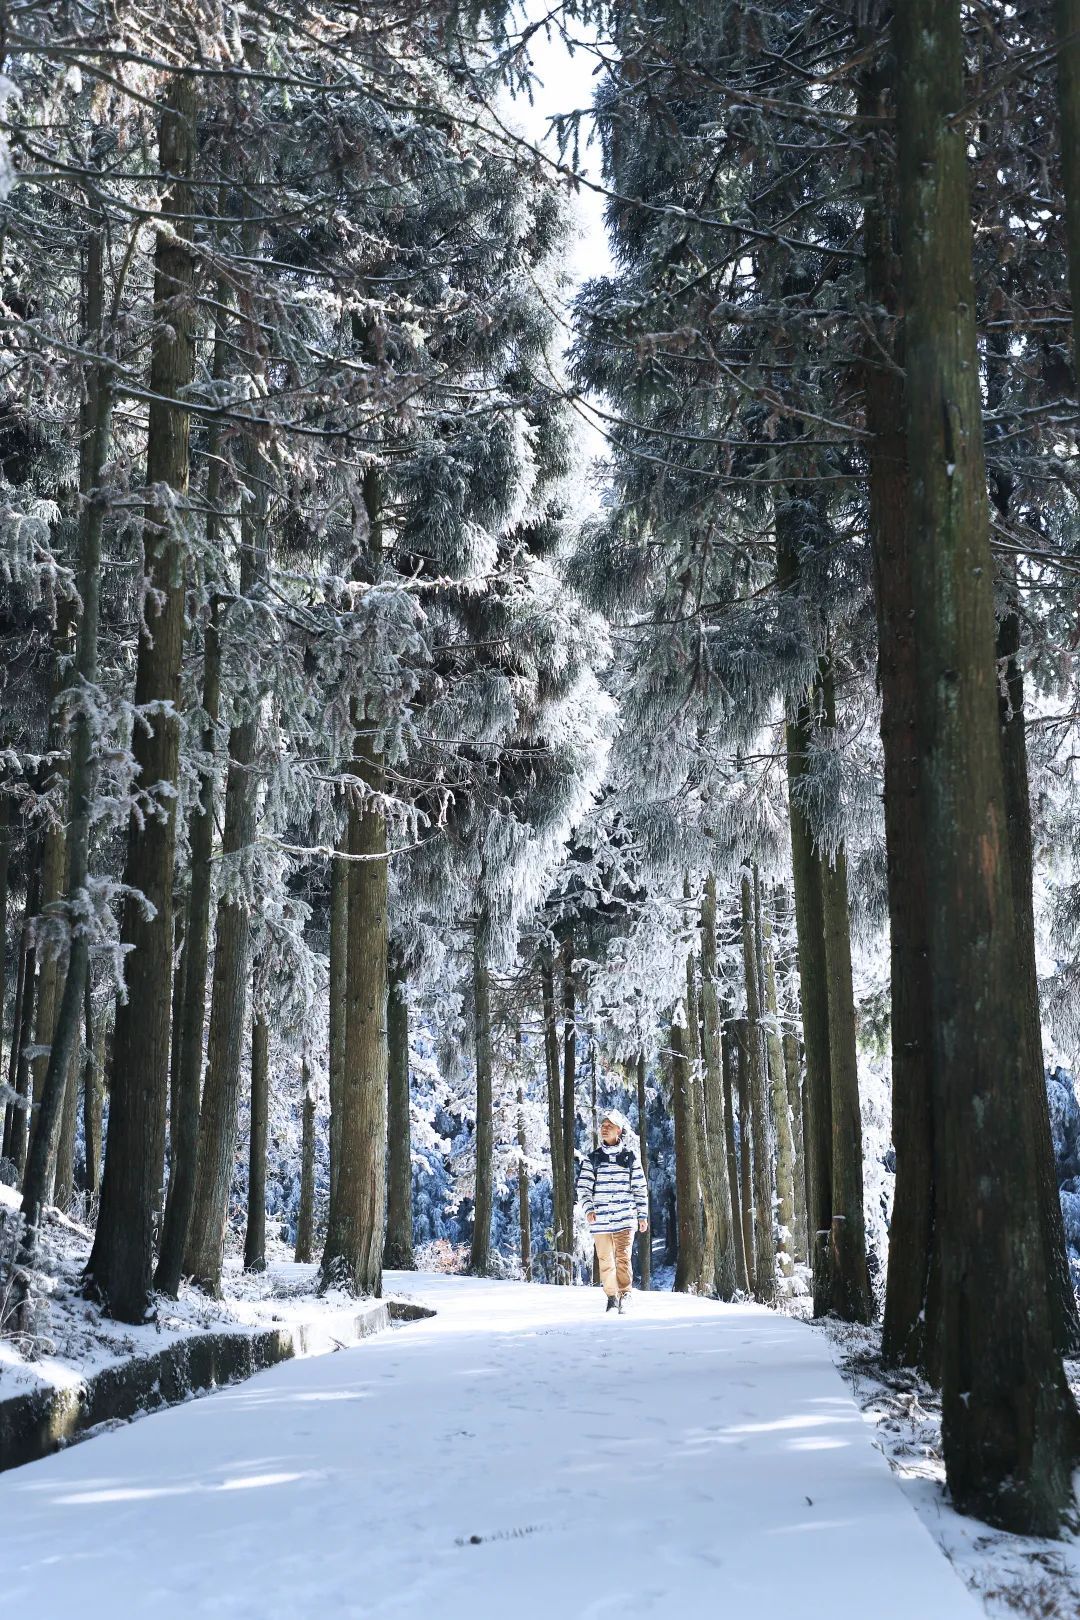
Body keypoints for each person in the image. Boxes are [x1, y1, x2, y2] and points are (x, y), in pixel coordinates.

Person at [576, 1108, 649, 1313]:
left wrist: (642, 1215)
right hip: (600, 1220)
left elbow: (639, 1187)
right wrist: (589, 1209)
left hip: (625, 1218)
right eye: (603, 1126)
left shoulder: (630, 1158)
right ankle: (611, 1297)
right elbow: (583, 1187)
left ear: (619, 1131)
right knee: (606, 1260)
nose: (605, 1129)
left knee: (623, 1257)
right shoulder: (593, 1159)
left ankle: (625, 1294)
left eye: (609, 1126)